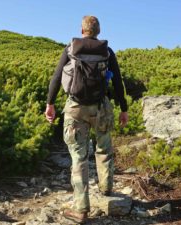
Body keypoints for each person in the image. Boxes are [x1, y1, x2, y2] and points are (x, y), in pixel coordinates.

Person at [45, 15, 128, 223]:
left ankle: (81, 209)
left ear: (82, 30)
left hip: (75, 108)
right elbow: (117, 82)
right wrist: (123, 108)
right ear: (98, 31)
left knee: (79, 157)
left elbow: (56, 78)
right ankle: (106, 188)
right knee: (104, 147)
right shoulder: (107, 52)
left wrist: (50, 104)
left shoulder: (71, 48)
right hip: (101, 107)